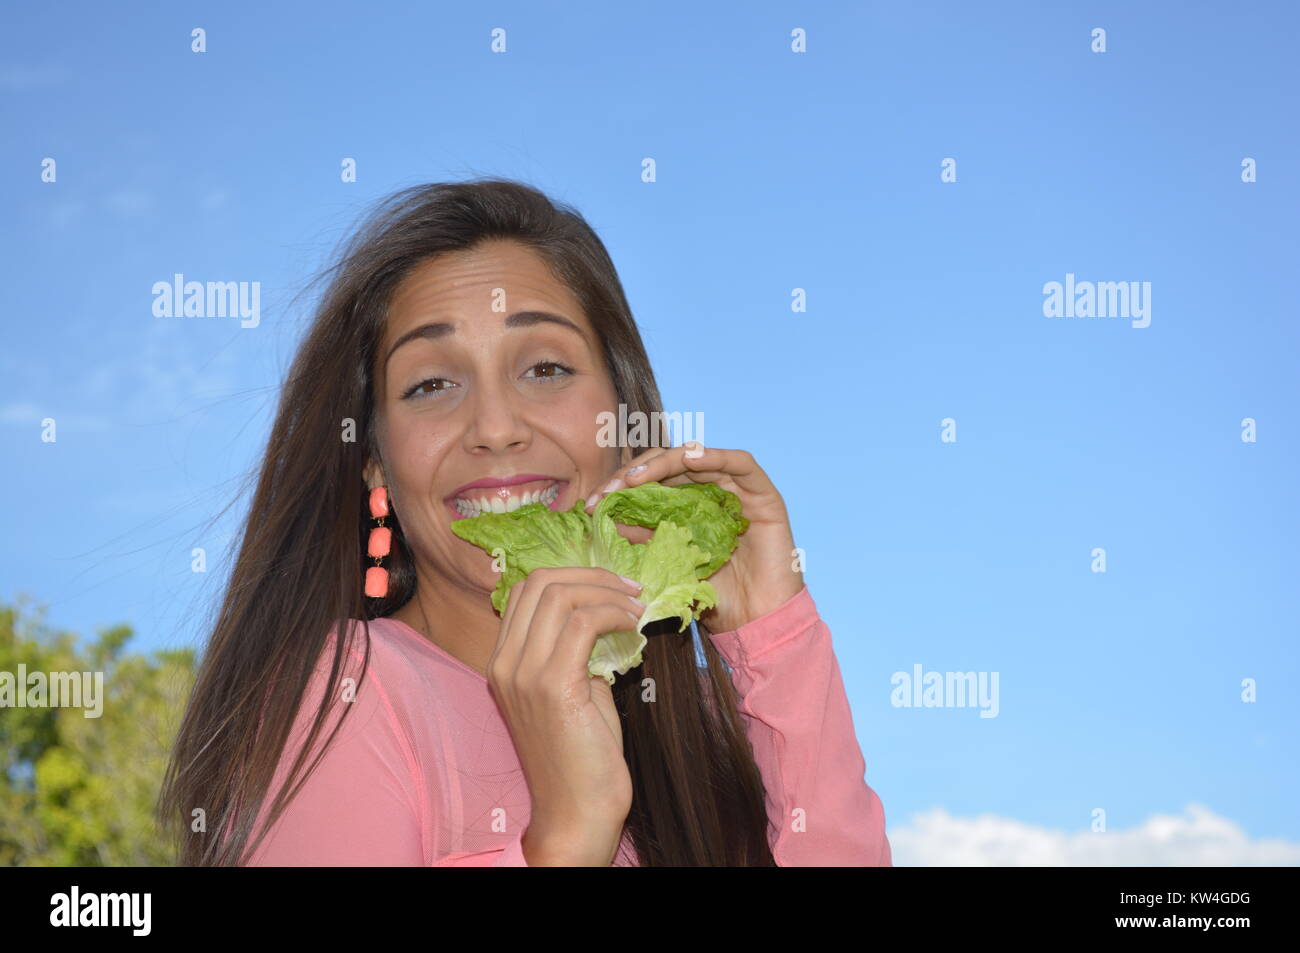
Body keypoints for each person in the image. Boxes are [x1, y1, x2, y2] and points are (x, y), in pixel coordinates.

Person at [157, 179, 891, 866]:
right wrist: (567, 836)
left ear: (624, 421)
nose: (497, 427)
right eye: (432, 384)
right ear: (373, 460)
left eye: (545, 368)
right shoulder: (346, 689)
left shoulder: (701, 718)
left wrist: (775, 636)